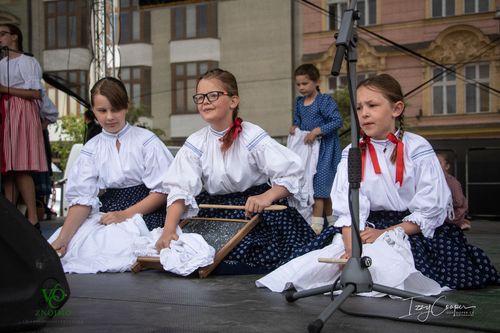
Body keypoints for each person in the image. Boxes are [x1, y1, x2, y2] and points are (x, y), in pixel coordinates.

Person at [257, 73, 499, 293]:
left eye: (372, 105)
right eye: (360, 107)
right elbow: (348, 206)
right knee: (317, 266)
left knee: (390, 267)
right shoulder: (352, 152)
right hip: (363, 224)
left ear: (397, 109)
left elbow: (430, 207)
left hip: (408, 228)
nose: (364, 113)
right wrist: (352, 247)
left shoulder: (417, 147)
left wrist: (385, 233)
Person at [155, 68, 331, 274]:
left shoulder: (251, 136)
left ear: (233, 101)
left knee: (254, 258)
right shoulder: (195, 143)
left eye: (213, 95)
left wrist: (267, 196)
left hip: (256, 210)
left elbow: (291, 173)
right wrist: (168, 230)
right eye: (199, 97)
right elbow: (180, 189)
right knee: (193, 254)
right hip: (216, 211)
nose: (204, 101)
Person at [51, 77, 174, 257]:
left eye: (115, 109)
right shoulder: (91, 149)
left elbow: (162, 191)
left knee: (119, 246)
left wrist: (125, 215)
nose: (109, 117)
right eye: (102, 110)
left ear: (126, 106)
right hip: (109, 211)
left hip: (147, 210)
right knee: (81, 246)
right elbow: (82, 200)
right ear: (93, 110)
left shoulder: (146, 141)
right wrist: (62, 239)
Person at [0, 23, 47, 227]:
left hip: (22, 112)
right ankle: (11, 219)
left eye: (2, 34)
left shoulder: (28, 61)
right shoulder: (1, 64)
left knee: (21, 165)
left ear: (14, 37)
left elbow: (36, 93)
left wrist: (5, 89)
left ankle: (32, 217)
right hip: (6, 112)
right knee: (9, 168)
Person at [289, 64, 343, 235]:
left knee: (320, 187)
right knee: (316, 186)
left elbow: (336, 121)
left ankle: (317, 228)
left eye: (305, 83)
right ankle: (334, 223)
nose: (301, 87)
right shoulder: (299, 103)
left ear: (316, 82)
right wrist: (295, 126)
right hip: (307, 150)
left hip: (326, 149)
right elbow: (298, 119)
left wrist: (318, 130)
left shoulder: (324, 101)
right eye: (298, 84)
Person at [437, 151, 471, 230]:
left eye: (439, 163)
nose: (435, 166)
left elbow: (458, 202)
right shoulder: (433, 180)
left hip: (454, 212)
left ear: (447, 166)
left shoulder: (452, 182)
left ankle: (460, 222)